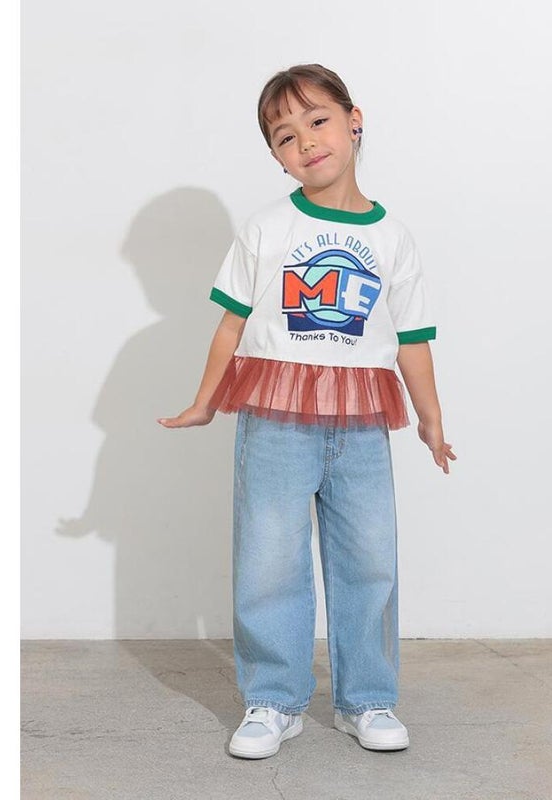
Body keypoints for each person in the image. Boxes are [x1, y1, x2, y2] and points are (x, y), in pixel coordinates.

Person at [157, 63, 457, 759]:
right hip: (276, 417)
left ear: (354, 120)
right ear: (276, 157)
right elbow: (231, 325)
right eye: (285, 137)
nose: (306, 142)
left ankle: (368, 699)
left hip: (361, 421)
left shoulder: (393, 238)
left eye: (317, 121)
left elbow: (412, 341)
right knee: (269, 558)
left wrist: (432, 420)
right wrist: (204, 402)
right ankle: (273, 699)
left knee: (370, 559)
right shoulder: (268, 227)